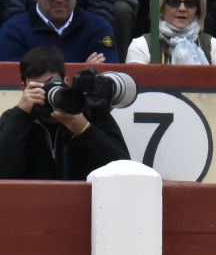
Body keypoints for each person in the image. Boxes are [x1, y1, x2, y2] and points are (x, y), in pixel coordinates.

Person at [0, 46, 128, 180]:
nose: (46, 93)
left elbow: (122, 169)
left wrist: (84, 129)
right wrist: (22, 116)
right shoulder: (14, 119)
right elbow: (3, 172)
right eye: (38, 88)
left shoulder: (91, 113)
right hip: (32, 199)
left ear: (65, 82)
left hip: (85, 199)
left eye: (51, 84)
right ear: (24, 88)